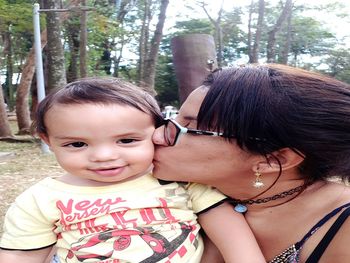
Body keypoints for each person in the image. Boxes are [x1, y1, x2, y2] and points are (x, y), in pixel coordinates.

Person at [0, 77, 264, 263]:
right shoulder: (40, 199)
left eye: (126, 140)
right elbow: (20, 255)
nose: (104, 156)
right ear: (48, 141)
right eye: (77, 144)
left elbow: (233, 237)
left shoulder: (180, 182)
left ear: (157, 132)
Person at [152, 64, 350, 263]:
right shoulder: (169, 191)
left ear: (273, 160)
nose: (157, 135)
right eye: (167, 121)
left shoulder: (342, 226)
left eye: (186, 127)